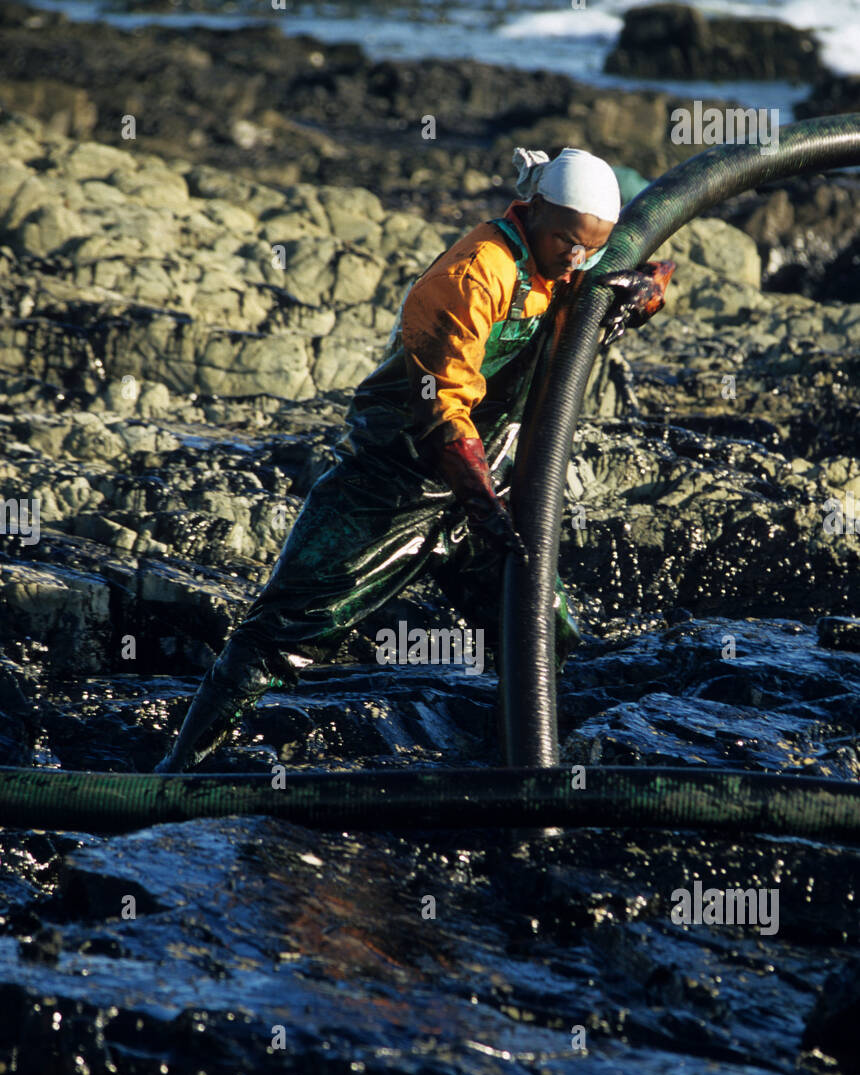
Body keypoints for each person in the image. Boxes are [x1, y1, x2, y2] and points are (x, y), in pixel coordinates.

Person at [155, 147, 669, 772]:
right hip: (394, 478)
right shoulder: (476, 272)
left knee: (542, 630)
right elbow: (442, 407)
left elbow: (647, 266)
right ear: (531, 210)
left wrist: (646, 292)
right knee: (287, 630)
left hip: (487, 484)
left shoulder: (570, 263)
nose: (576, 258)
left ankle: (516, 760)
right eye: (565, 240)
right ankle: (180, 771)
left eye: (590, 247)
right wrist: (483, 504)